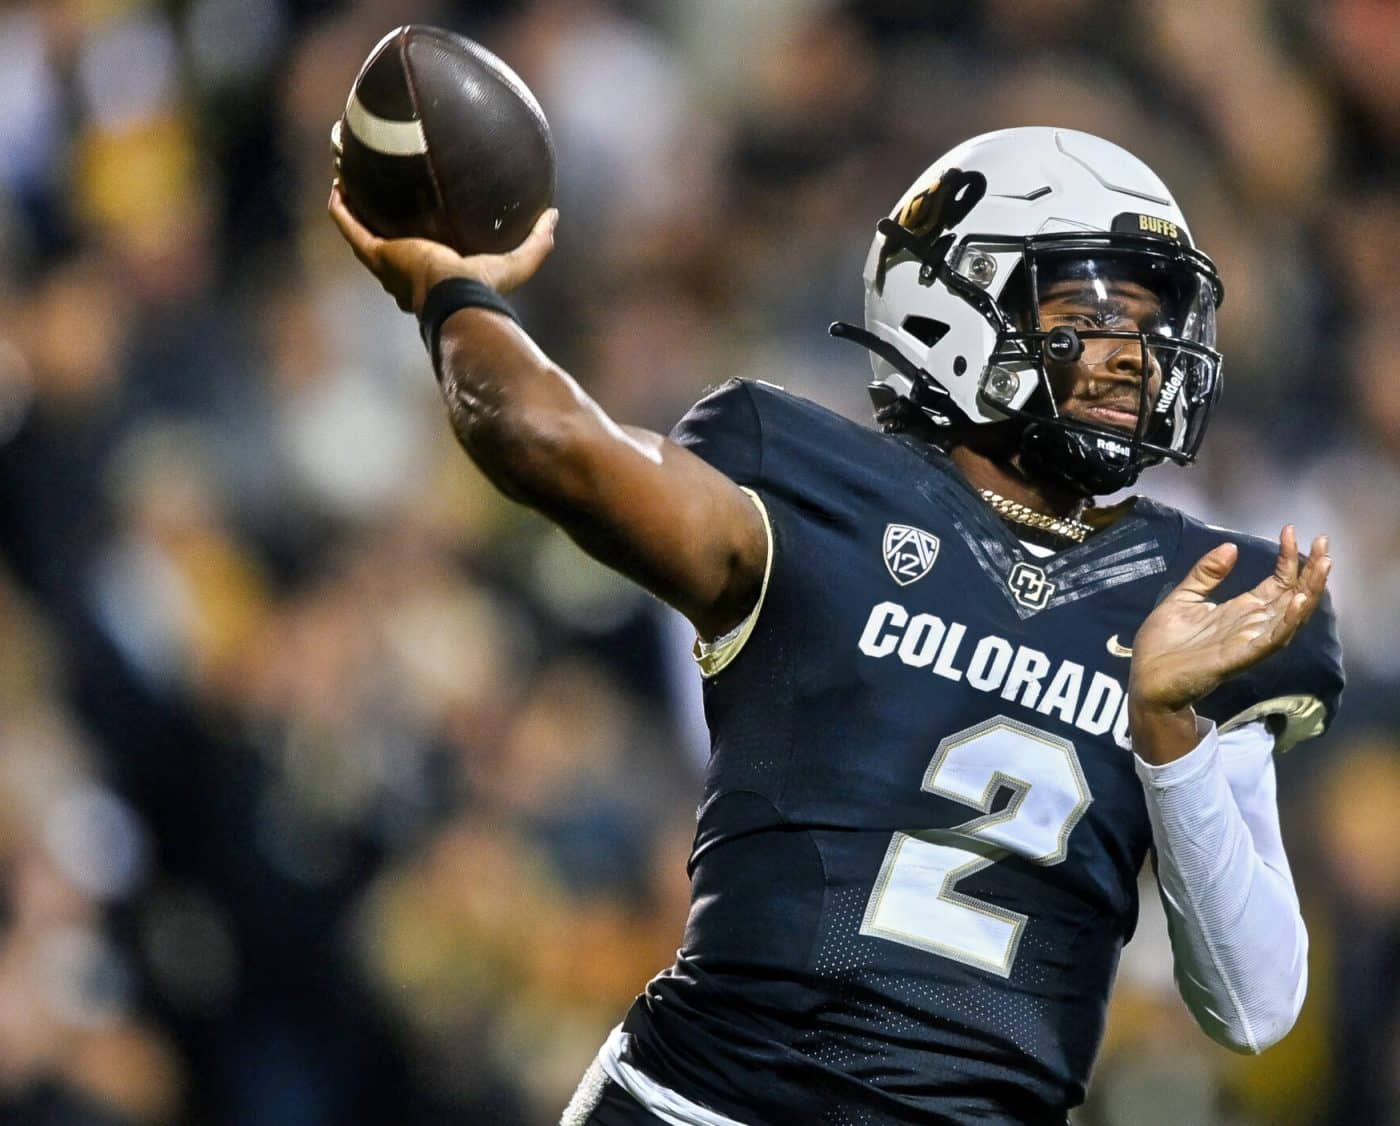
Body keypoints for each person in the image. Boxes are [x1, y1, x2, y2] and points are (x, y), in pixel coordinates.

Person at [329, 126, 1343, 1125]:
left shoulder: (1199, 593)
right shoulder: (807, 495)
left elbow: (1253, 1004)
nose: (1137, 359)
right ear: (955, 308)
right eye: (1089, 315)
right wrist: (450, 289)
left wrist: (1170, 733)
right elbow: (542, 434)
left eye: (1151, 324)